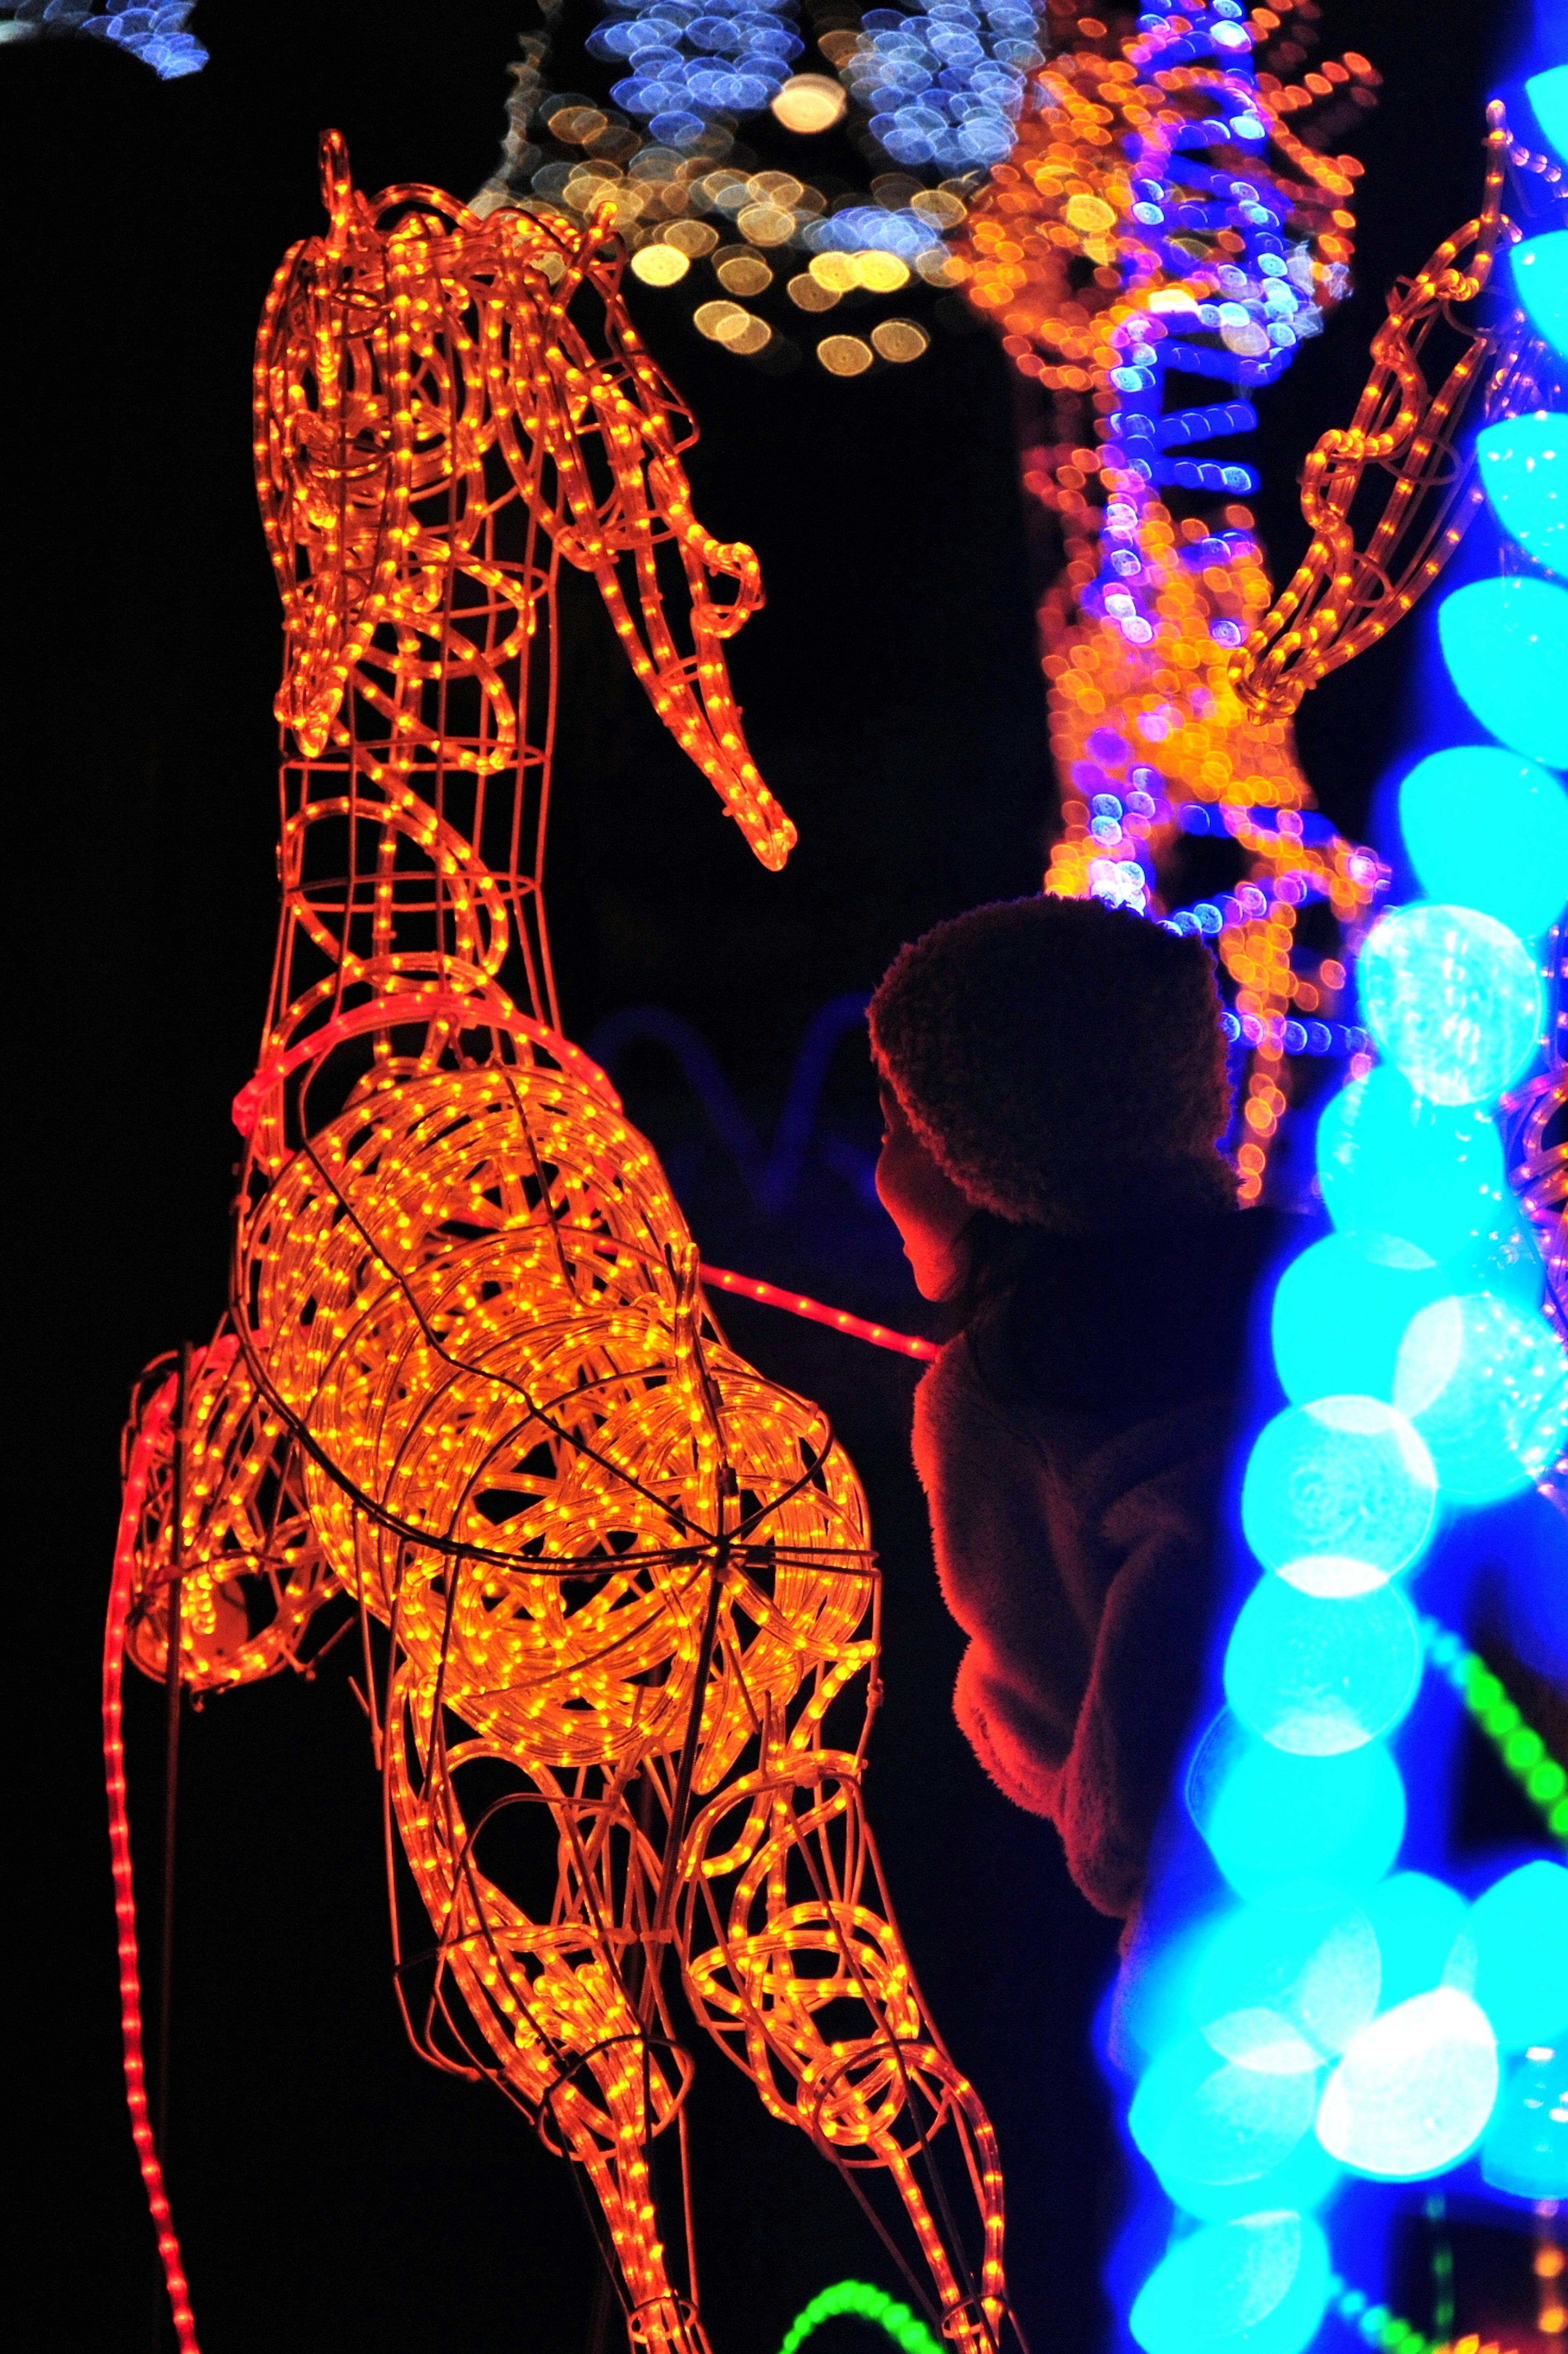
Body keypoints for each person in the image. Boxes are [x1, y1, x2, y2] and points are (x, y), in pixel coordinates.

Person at [869, 893, 1289, 1924]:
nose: (877, 1168)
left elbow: (1055, 1708)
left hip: (1207, 1917)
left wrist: (1078, 1803)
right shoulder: (1299, 1284)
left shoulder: (995, 1398)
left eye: (898, 1130)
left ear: (982, 1151)